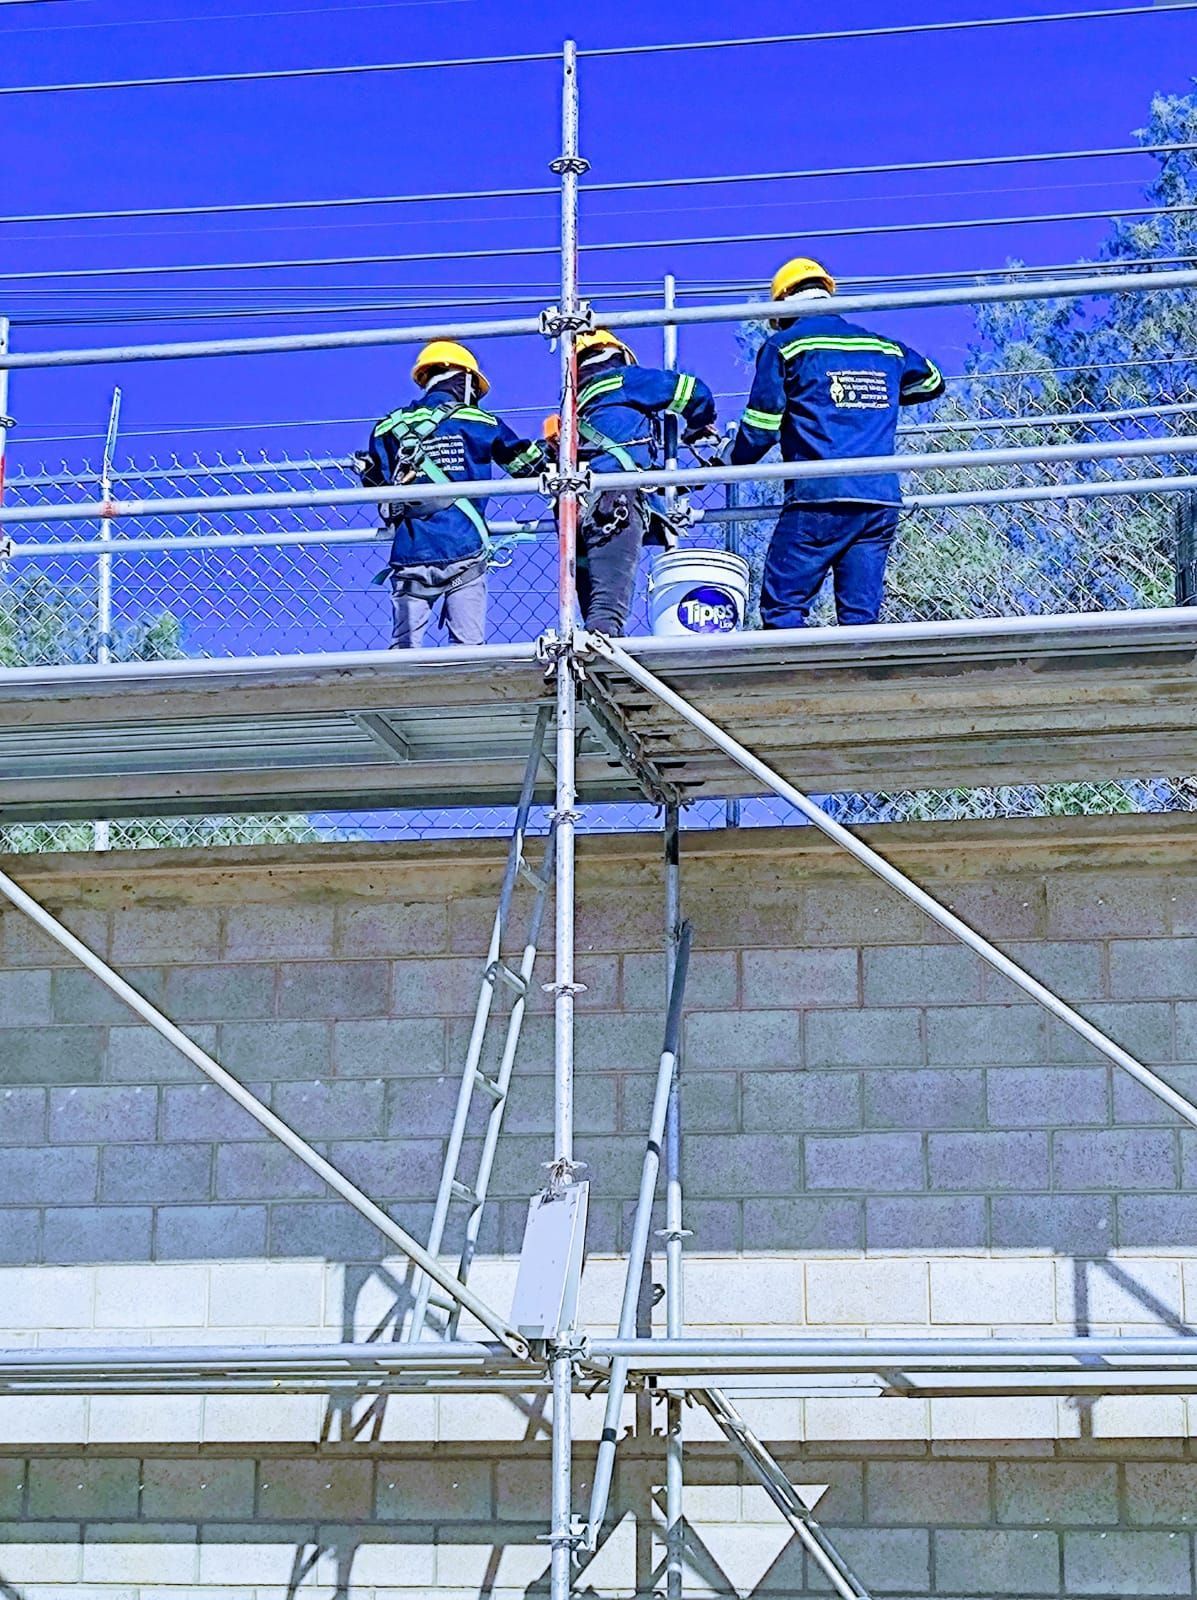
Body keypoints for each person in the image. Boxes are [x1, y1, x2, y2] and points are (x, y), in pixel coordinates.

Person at [729, 256, 945, 630]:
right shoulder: (885, 348)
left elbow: (762, 427)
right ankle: (858, 686)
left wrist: (725, 464)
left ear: (780, 307)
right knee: (860, 618)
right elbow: (932, 381)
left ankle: (795, 683)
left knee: (784, 608)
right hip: (878, 499)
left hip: (820, 496)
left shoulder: (785, 346)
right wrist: (877, 393)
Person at [358, 341, 545, 649]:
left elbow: (376, 483)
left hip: (410, 551)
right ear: (464, 379)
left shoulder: (387, 427)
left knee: (401, 654)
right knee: (467, 649)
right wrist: (558, 462)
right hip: (464, 548)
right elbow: (525, 464)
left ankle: (402, 694)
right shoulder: (479, 422)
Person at [564, 328, 718, 636]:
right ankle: (606, 658)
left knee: (592, 600)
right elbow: (691, 390)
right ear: (620, 355)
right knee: (608, 607)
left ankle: (587, 668)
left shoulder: (575, 408)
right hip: (615, 502)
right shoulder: (625, 380)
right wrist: (698, 426)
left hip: (576, 510)